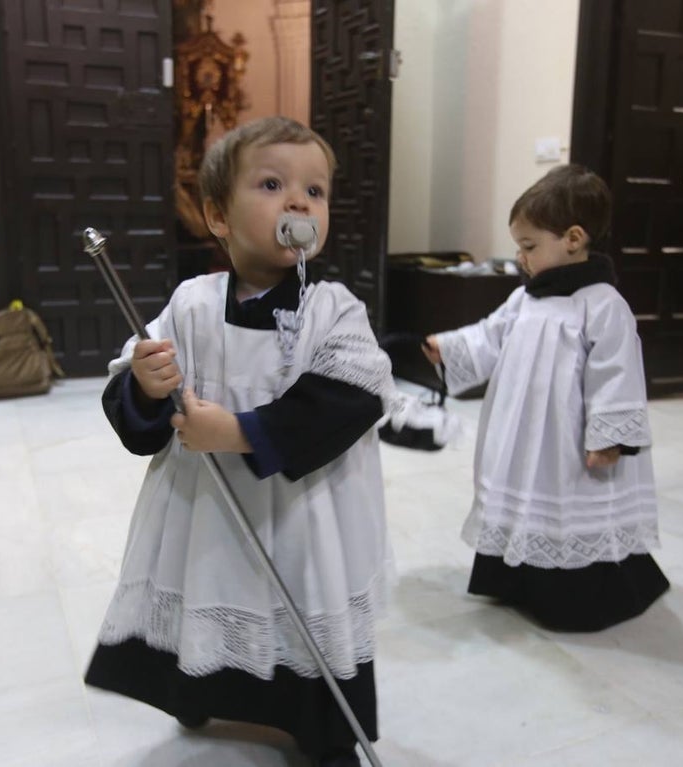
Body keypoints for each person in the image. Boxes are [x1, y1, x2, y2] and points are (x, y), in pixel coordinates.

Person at [84, 116, 394, 767]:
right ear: (218, 216)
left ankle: (322, 728)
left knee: (303, 610)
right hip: (206, 515)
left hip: (303, 513)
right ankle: (203, 682)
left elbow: (354, 392)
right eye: (273, 183)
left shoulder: (333, 308)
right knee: (209, 590)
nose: (299, 202)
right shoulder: (191, 304)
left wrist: (240, 432)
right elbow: (131, 388)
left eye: (316, 190)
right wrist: (146, 382)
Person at [422, 164, 669, 632]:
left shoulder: (602, 305)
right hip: (521, 433)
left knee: (567, 503)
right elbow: (490, 335)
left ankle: (577, 591)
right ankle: (515, 576)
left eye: (530, 246)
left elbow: (617, 374)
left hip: (570, 440)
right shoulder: (526, 298)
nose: (521, 258)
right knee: (523, 496)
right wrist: (450, 346)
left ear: (573, 239)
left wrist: (610, 435)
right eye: (519, 247)